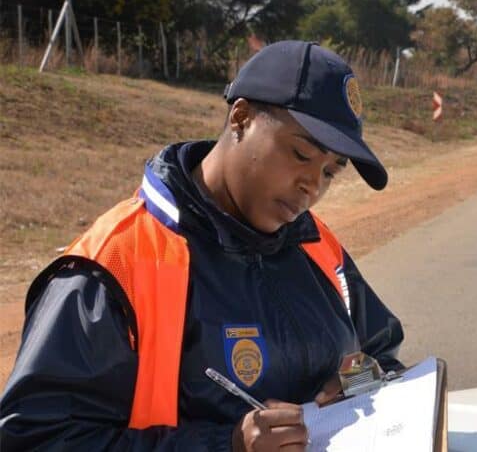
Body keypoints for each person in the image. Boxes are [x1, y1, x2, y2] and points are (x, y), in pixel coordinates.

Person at [0, 41, 404, 451]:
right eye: (301, 154)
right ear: (241, 117)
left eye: (331, 172)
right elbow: (36, 440)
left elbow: (383, 358)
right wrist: (225, 444)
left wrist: (357, 379)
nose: (313, 186)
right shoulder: (116, 263)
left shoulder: (316, 243)